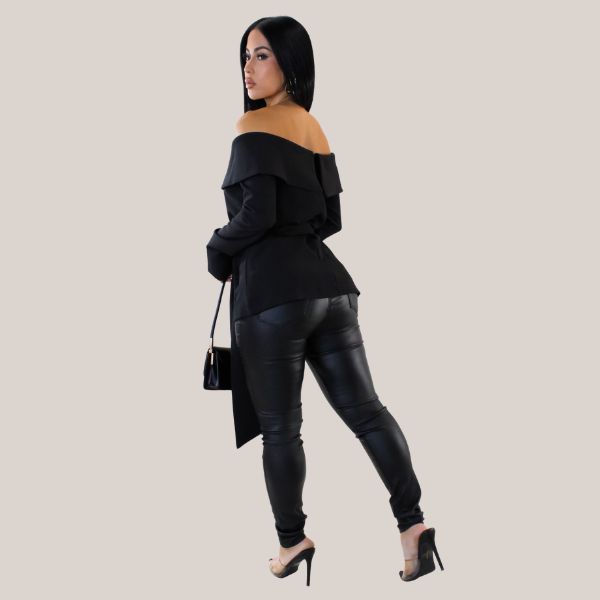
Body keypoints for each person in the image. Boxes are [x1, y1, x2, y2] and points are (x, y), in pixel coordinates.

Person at [206, 16, 444, 585]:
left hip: (272, 297)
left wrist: (217, 248)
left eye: (262, 55)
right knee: (368, 412)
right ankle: (412, 525)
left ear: (291, 64)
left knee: (281, 430)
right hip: (331, 289)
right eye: (245, 55)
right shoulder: (314, 128)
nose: (248, 67)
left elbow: (256, 214)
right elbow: (331, 218)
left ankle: (292, 542)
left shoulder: (252, 126)